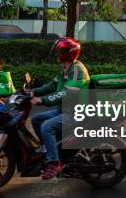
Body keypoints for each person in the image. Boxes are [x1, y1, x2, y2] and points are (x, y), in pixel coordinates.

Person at [30, 37, 89, 180]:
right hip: (64, 109)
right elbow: (51, 85)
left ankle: (54, 162)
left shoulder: (77, 71)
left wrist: (42, 100)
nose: (57, 54)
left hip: (76, 113)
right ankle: (52, 149)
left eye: (60, 51)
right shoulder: (66, 68)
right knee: (36, 119)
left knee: (46, 127)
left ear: (68, 53)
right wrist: (33, 92)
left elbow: (65, 93)